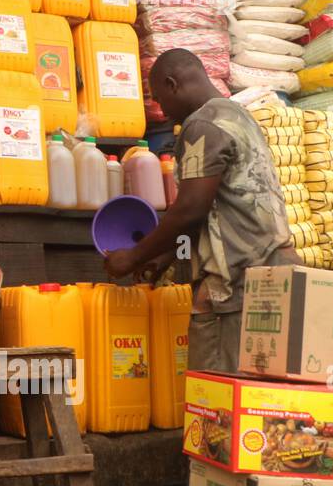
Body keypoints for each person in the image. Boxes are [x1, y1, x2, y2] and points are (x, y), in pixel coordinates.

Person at [103, 50, 296, 372]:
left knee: (220, 399)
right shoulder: (236, 115)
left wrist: (132, 256)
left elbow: (191, 208)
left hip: (238, 280)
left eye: (160, 99)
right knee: (261, 395)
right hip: (271, 266)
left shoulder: (203, 125)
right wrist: (165, 256)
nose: (162, 112)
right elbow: (211, 210)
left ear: (172, 83)